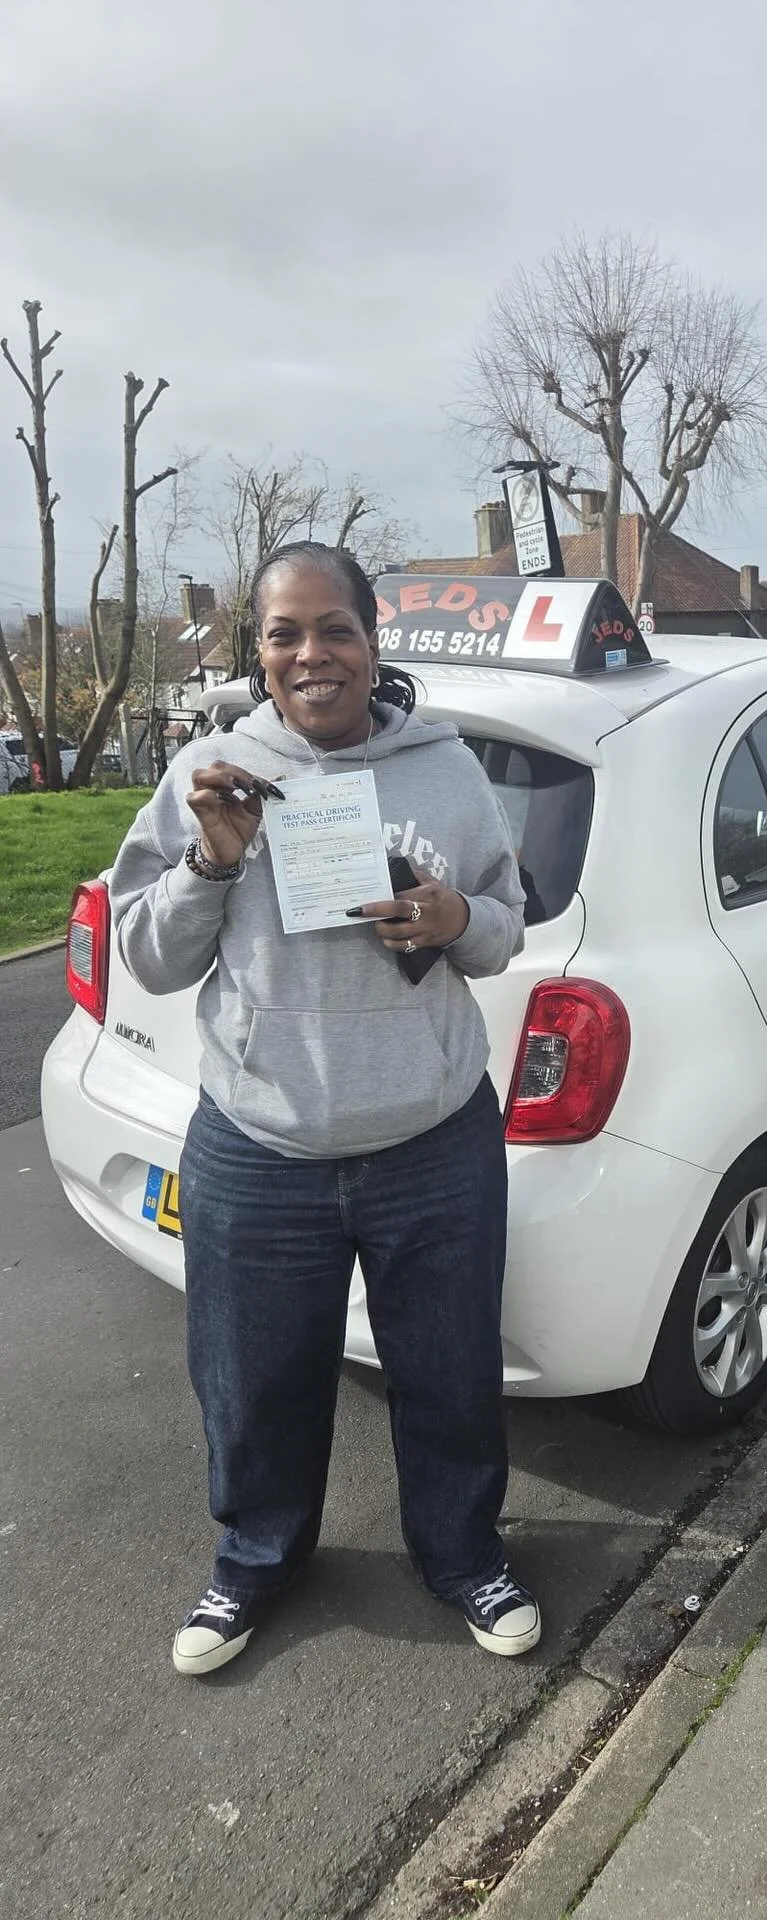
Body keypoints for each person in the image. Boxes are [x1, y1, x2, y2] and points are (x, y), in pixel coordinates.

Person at [107, 541, 536, 1676]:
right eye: (285, 633)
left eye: (333, 627)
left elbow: (508, 922)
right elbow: (145, 958)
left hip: (432, 1142)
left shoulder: (448, 770)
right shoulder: (212, 770)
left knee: (447, 1372)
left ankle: (461, 1553)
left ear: (371, 636)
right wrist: (210, 859)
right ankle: (255, 1559)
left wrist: (455, 922)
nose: (311, 654)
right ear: (259, 649)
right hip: (260, 1147)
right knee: (251, 1380)